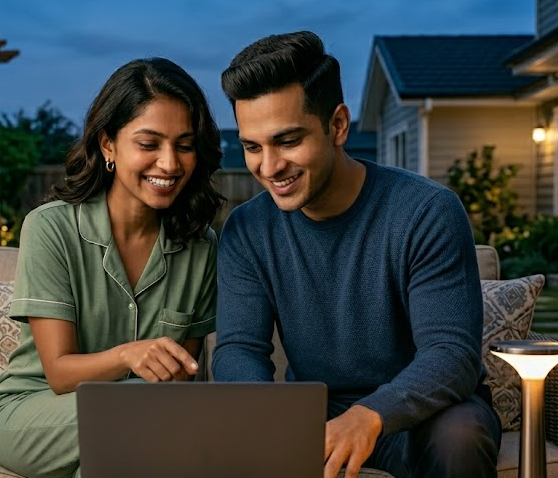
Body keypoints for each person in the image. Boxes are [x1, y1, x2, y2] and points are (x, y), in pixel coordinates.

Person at [211, 31, 501, 478]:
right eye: (253, 147)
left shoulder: (426, 211)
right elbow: (238, 349)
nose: (268, 167)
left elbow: (451, 354)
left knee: (460, 434)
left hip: (422, 416)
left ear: (338, 125)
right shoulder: (247, 229)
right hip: (313, 415)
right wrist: (268, 417)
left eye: (288, 140)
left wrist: (369, 415)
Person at [0, 57, 225, 478]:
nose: (170, 164)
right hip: (33, 409)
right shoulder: (50, 228)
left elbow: (178, 379)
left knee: (130, 443)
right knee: (139, 420)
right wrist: (129, 355)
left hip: (142, 418)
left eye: (184, 145)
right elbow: (59, 373)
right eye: (149, 144)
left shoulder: (201, 246)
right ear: (108, 144)